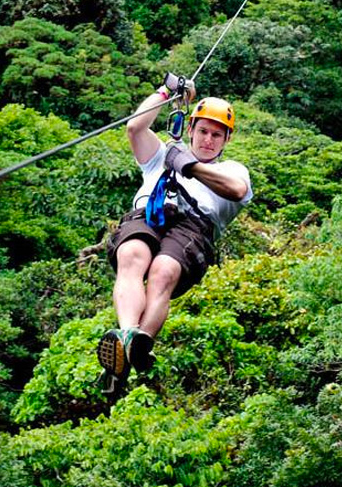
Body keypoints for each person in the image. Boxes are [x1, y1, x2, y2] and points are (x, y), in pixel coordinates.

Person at [96, 74, 253, 394]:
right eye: (203, 132)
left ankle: (139, 344)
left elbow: (237, 191)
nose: (208, 140)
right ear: (191, 129)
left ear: (226, 141)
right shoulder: (162, 155)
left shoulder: (231, 170)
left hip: (193, 227)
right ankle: (128, 336)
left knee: (163, 271)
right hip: (150, 213)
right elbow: (134, 127)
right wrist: (167, 90)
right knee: (131, 254)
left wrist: (189, 166)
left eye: (217, 135)